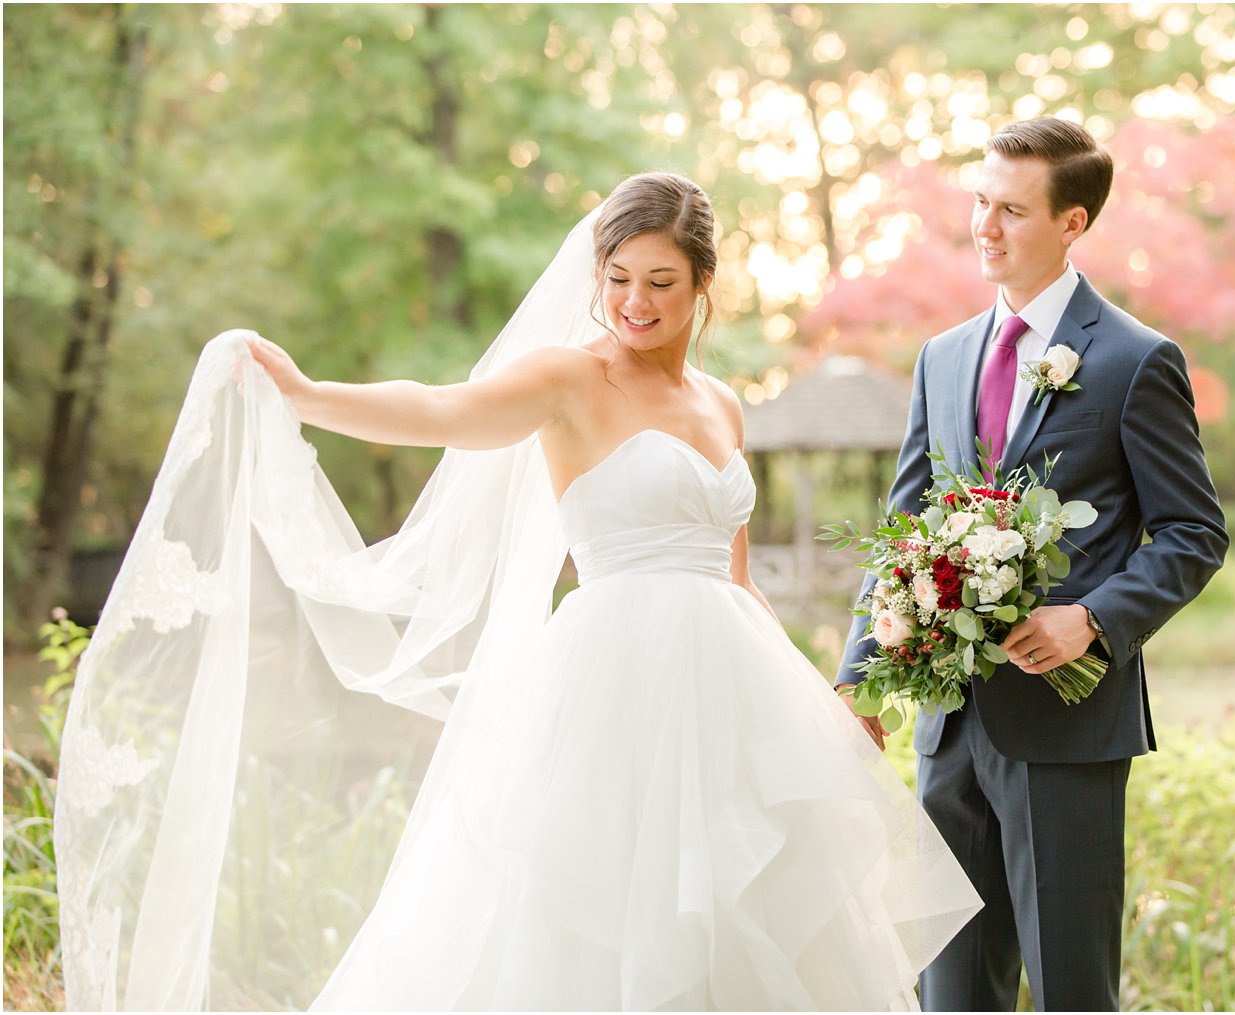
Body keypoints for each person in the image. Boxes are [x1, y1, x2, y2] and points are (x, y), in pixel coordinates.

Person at [54, 172, 980, 1011]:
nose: (634, 301)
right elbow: (441, 407)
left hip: (735, 692)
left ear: (703, 285)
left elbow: (734, 575)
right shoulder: (569, 379)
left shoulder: (723, 403)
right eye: (618, 276)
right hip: (613, 690)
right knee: (595, 918)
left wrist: (818, 703)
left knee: (752, 918)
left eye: (661, 281)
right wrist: (305, 393)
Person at [836, 118, 1229, 1011]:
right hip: (949, 721)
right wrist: (857, 676)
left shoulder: (1136, 359)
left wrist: (1090, 617)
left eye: (1011, 209)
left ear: (1072, 222)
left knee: (1069, 990)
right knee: (952, 990)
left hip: (1068, 722)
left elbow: (1193, 533)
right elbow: (906, 524)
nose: (985, 225)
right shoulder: (941, 359)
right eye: (980, 202)